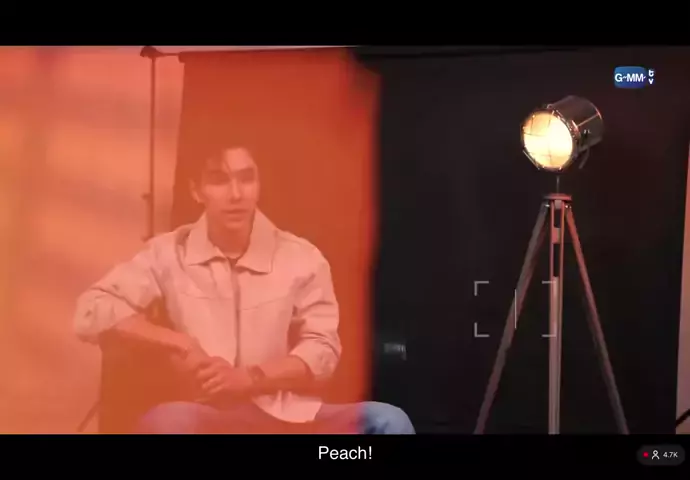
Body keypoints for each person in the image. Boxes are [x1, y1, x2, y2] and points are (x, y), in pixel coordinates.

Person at [73, 146, 415, 434]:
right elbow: (92, 309)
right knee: (166, 423)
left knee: (388, 421)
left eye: (246, 178)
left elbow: (323, 349)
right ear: (196, 190)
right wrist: (180, 343)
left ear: (259, 184)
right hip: (208, 418)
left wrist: (250, 379)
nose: (236, 194)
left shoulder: (302, 257)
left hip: (290, 417)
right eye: (219, 180)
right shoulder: (167, 253)